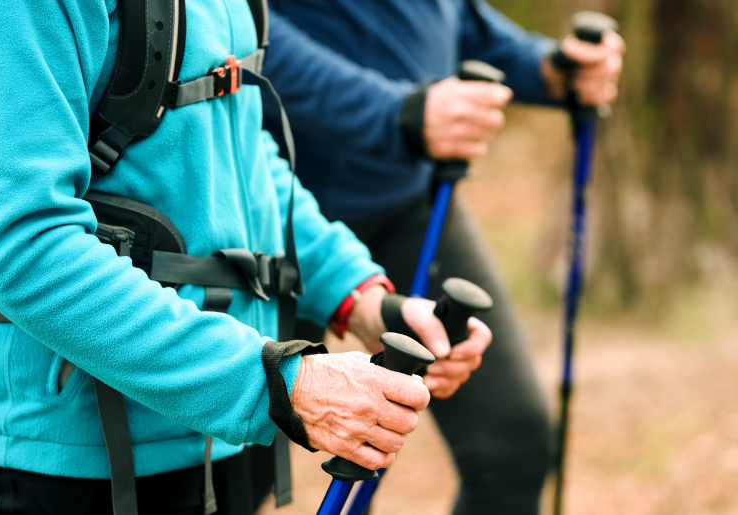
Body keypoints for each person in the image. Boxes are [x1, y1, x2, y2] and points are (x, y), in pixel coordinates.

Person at [0, 0, 490, 513]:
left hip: (220, 432)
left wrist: (357, 296)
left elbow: (240, 151)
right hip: (61, 463)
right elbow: (23, 243)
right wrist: (273, 383)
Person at [261, 1, 624, 512]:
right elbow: (235, 27)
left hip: (411, 206)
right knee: (228, 464)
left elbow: (447, 15)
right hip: (273, 216)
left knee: (511, 445)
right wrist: (395, 113)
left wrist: (547, 67)